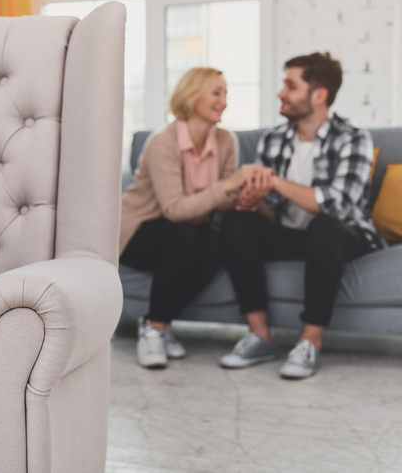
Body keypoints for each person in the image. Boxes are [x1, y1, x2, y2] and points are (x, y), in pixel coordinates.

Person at [219, 52, 385, 379]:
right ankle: (260, 335)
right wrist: (256, 201)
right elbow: (274, 213)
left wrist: (276, 182)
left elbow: (336, 205)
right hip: (294, 234)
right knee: (238, 222)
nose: (281, 92)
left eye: (290, 86)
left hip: (343, 235)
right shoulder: (274, 139)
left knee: (324, 227)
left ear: (319, 95)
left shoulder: (353, 138)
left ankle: (310, 341)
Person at [119, 67, 261, 369]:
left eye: (225, 94)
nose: (223, 101)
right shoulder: (163, 142)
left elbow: (222, 208)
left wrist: (244, 197)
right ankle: (155, 330)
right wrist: (228, 185)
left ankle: (157, 322)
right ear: (192, 95)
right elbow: (173, 210)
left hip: (189, 235)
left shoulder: (226, 141)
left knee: (216, 241)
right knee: (184, 234)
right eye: (216, 93)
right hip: (138, 234)